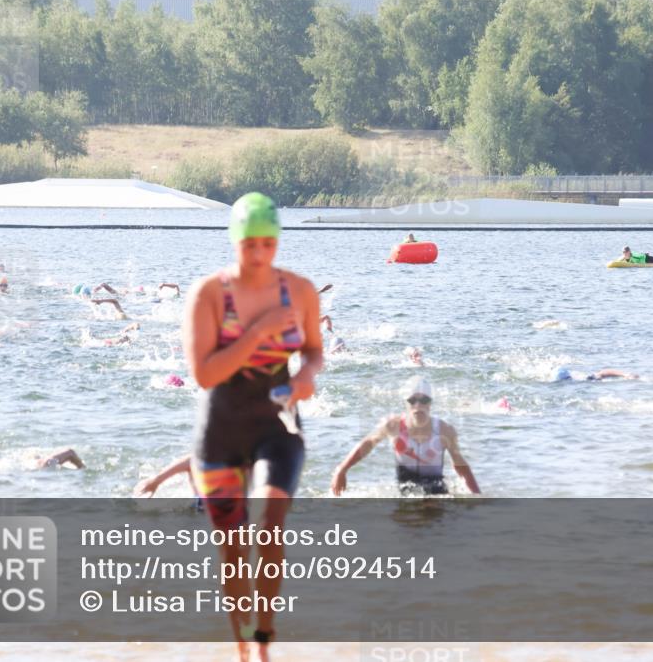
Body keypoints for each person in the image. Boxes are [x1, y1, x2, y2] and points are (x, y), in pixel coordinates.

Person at [184, 191, 323, 661]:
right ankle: (241, 645)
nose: (260, 254)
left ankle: (265, 640)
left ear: (278, 241)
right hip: (220, 429)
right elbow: (205, 374)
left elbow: (315, 350)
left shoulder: (299, 290)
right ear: (235, 242)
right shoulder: (209, 294)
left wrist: (306, 374)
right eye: (250, 245)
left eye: (268, 243)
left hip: (276, 424)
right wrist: (260, 332)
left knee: (269, 523)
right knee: (233, 550)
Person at [331, 376, 481, 497]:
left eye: (424, 400)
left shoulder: (445, 430)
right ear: (406, 403)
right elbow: (368, 443)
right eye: (412, 400)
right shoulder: (393, 426)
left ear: (430, 404)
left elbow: (460, 466)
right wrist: (342, 469)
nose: (418, 405)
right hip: (406, 492)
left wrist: (477, 496)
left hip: (437, 493)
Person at [554, 366, 639, 382]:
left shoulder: (581, 378)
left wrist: (625, 375)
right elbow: (603, 373)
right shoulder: (581, 379)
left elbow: (603, 373)